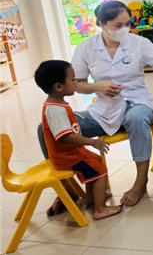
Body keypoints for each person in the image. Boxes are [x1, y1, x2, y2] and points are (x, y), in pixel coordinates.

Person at [38, 0, 153, 213]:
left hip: (138, 103)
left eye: (127, 24)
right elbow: (76, 83)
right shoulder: (86, 48)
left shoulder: (139, 43)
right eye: (118, 25)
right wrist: (97, 86)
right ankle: (67, 189)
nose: (124, 29)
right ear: (101, 24)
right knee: (45, 128)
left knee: (136, 118)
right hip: (103, 111)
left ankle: (140, 182)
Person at [35, 60, 123, 220]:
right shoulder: (55, 110)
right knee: (100, 172)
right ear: (59, 86)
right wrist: (92, 142)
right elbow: (66, 136)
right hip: (68, 157)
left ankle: (91, 198)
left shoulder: (58, 104)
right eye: (72, 79)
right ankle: (100, 209)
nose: (76, 81)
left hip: (73, 153)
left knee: (96, 161)